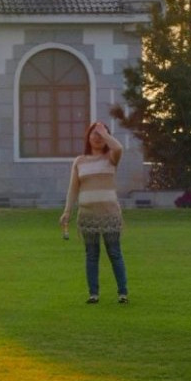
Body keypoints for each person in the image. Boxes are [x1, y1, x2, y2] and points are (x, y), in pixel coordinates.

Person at [59, 121, 130, 304]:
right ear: (88, 137)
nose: (97, 138)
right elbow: (73, 189)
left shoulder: (111, 157)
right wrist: (67, 211)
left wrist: (103, 132)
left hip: (109, 213)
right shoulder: (80, 161)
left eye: (101, 135)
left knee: (114, 252)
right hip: (87, 214)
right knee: (91, 254)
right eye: (94, 134)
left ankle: (122, 292)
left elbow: (119, 146)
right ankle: (93, 293)